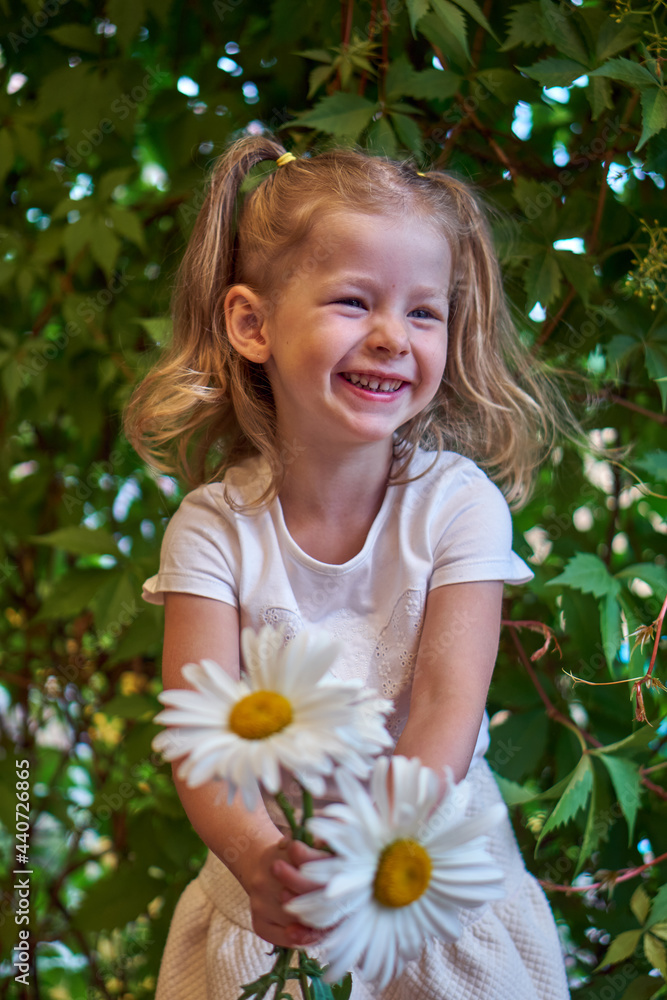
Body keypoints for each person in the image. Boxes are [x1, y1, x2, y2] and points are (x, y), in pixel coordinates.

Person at [124, 132, 572, 999]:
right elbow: (200, 739)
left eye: (422, 312)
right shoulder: (212, 530)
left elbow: (446, 705)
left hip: (428, 890)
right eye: (353, 301)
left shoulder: (456, 505)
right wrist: (260, 861)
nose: (390, 338)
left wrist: (370, 849)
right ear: (252, 324)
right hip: (271, 904)